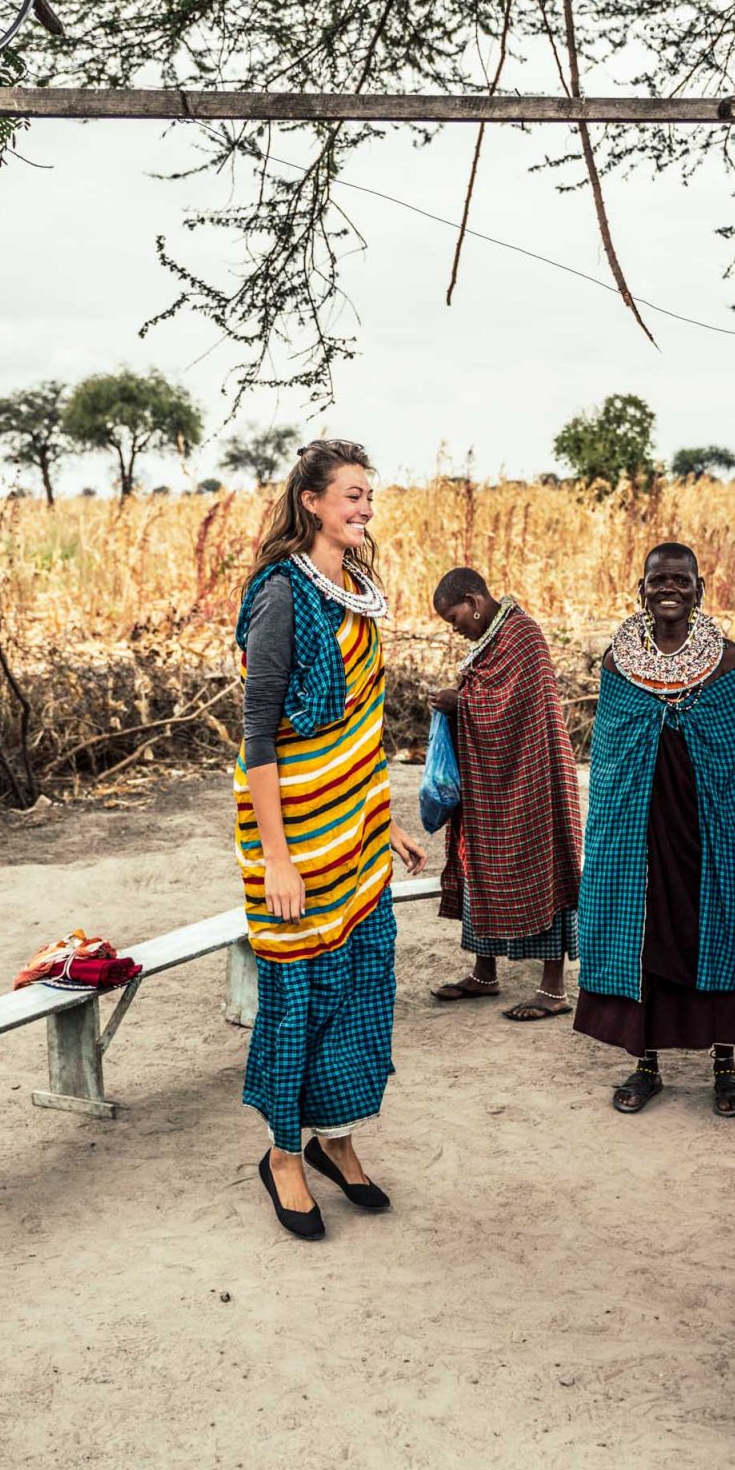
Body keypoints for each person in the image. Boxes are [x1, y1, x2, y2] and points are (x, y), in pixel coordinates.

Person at [235, 439, 427, 1241]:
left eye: (370, 497)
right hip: (294, 837)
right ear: (311, 500)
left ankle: (337, 1141)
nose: (364, 508)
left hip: (353, 834)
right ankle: (283, 1154)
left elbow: (362, 726)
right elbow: (257, 734)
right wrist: (278, 858)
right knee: (295, 1001)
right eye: (351, 495)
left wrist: (384, 828)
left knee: (359, 995)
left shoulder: (358, 588)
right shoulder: (283, 594)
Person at [574, 543, 735, 1116]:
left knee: (712, 929)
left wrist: (679, 730)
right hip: (638, 827)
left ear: (699, 589)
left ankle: (724, 1066)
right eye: (659, 580)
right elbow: (609, 754)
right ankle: (645, 1063)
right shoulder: (617, 662)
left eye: (681, 580)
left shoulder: (726, 660)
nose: (669, 589)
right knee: (643, 935)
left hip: (704, 824)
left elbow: (732, 756)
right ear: (642, 588)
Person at [429, 568, 582, 1022]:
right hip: (491, 775)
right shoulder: (493, 638)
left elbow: (514, 705)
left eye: (456, 619)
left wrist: (464, 703)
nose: (456, 629)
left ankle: (553, 989)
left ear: (475, 601)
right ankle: (483, 974)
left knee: (543, 866)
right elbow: (490, 693)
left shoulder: (522, 634)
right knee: (479, 863)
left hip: (534, 774)